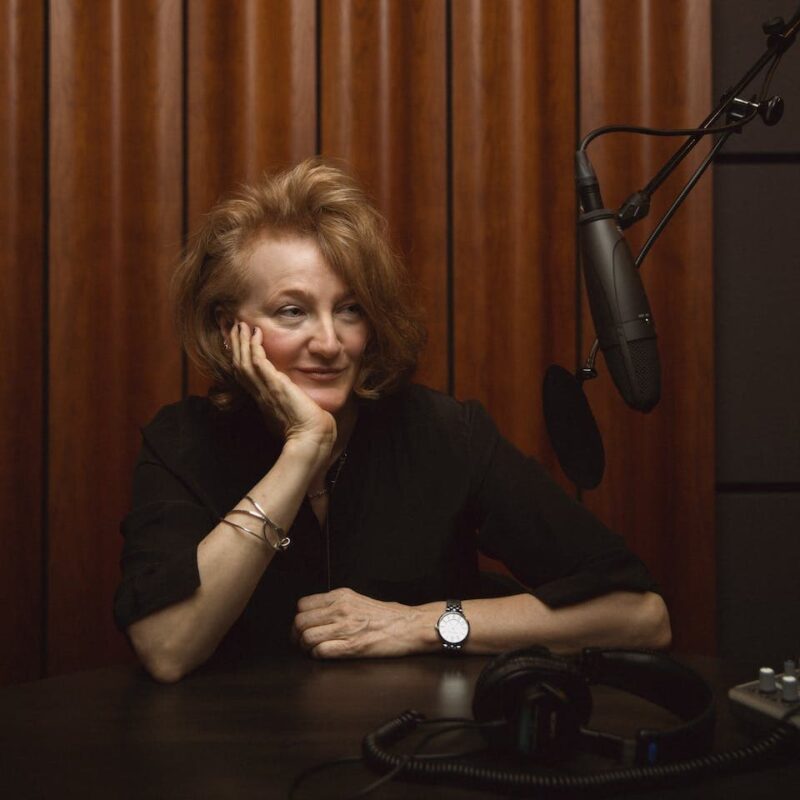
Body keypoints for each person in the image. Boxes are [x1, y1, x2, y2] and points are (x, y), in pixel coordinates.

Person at [114, 158, 670, 683]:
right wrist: (303, 448)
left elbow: (641, 616)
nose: (330, 343)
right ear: (227, 326)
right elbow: (167, 648)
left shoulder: (443, 433)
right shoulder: (183, 441)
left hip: (415, 756)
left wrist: (423, 624)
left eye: (350, 309)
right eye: (293, 311)